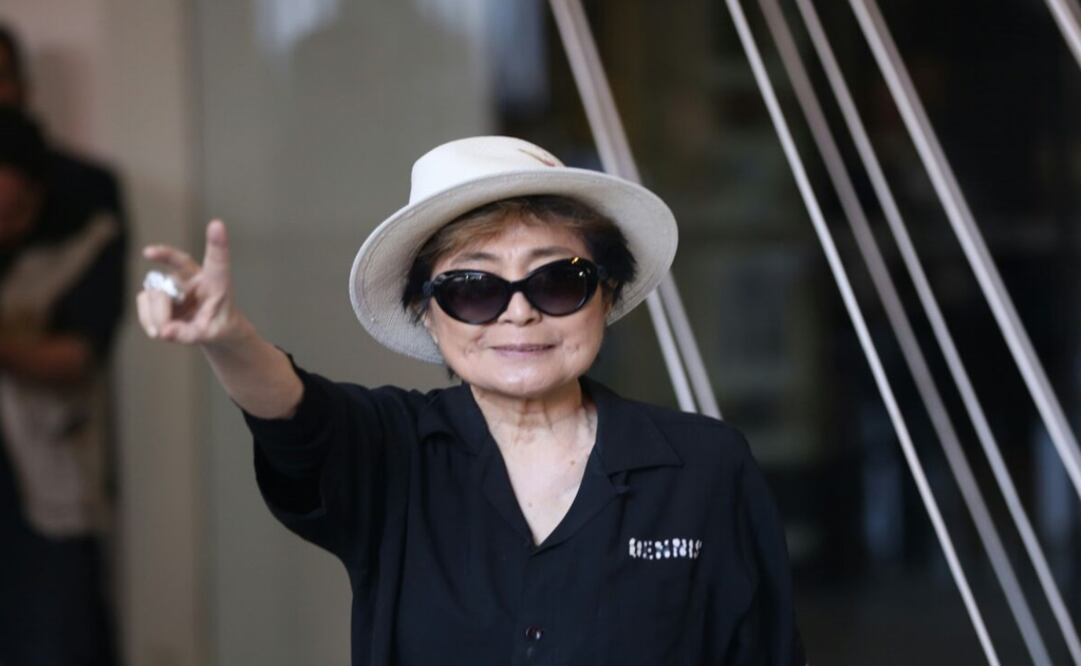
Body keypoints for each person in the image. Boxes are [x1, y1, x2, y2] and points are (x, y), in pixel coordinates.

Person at [138, 136, 805, 665]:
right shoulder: (392, 452)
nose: (518, 314)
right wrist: (228, 339)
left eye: (557, 280)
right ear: (428, 316)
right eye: (474, 289)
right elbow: (296, 415)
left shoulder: (705, 467)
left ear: (605, 296)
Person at [0, 108, 123, 665]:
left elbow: (78, 356)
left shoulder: (84, 238)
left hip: (49, 482)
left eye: (12, 212)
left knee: (58, 638)